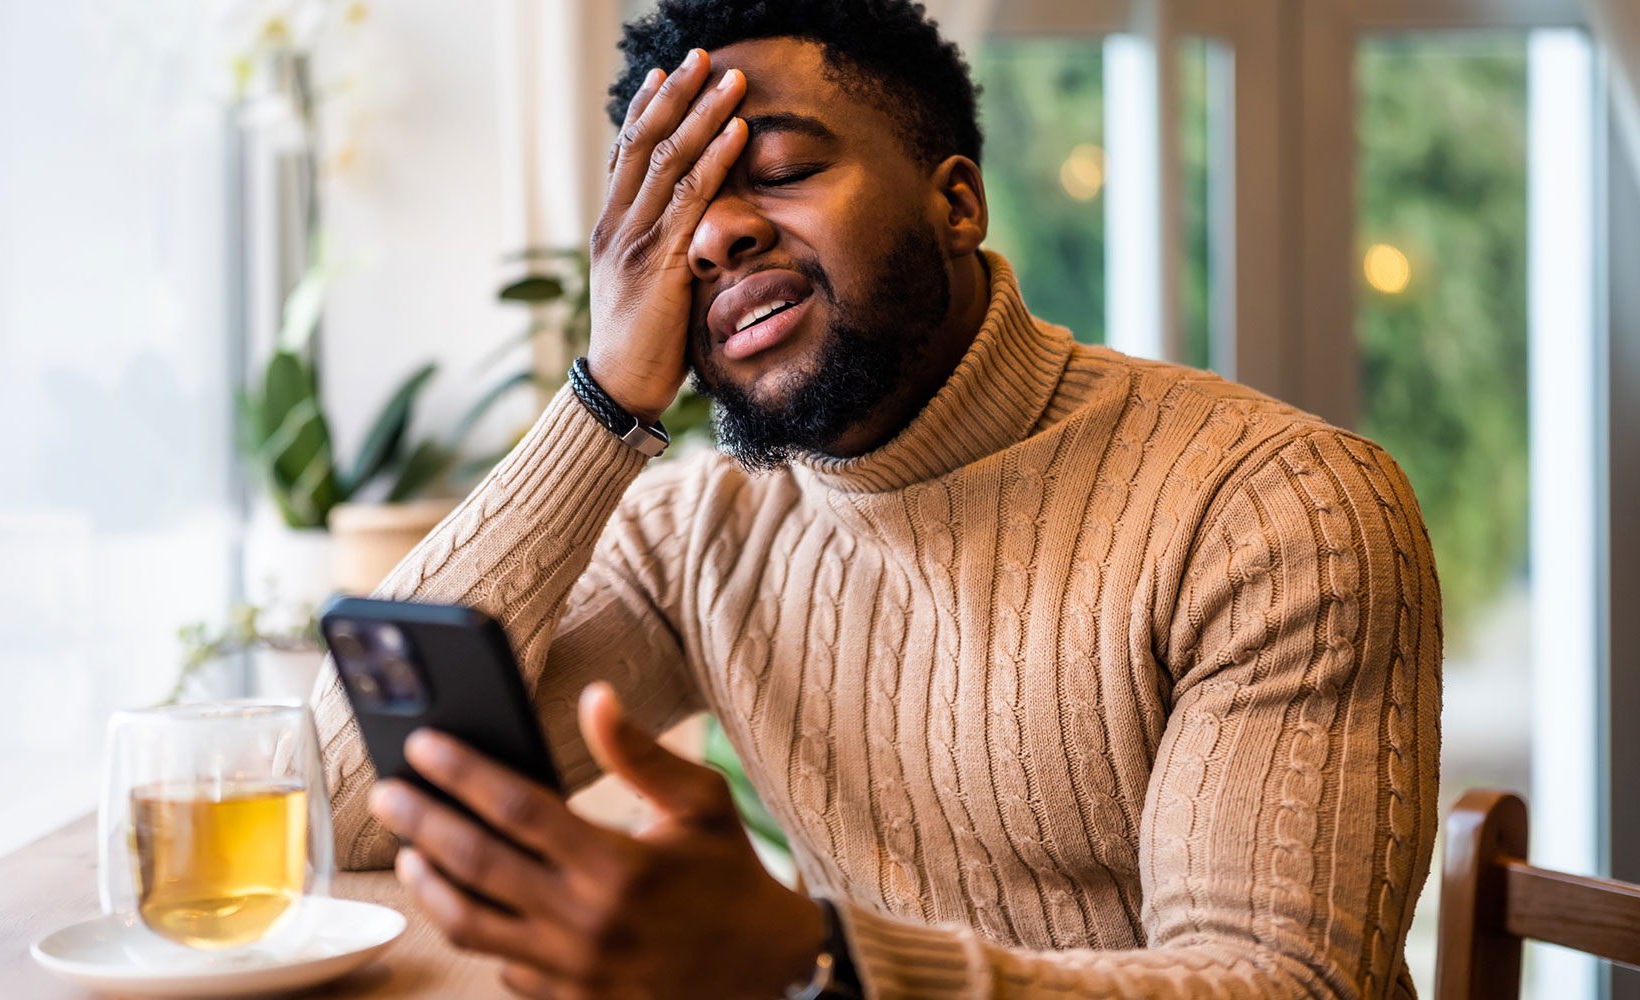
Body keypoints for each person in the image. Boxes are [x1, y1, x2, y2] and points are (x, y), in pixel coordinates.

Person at [311, 2, 1442, 997]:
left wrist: (810, 963)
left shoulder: (1274, 510)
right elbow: (343, 813)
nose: (714, 236)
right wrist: (604, 399)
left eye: (780, 170)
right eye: (671, 213)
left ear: (957, 203)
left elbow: (1280, 984)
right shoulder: (698, 539)